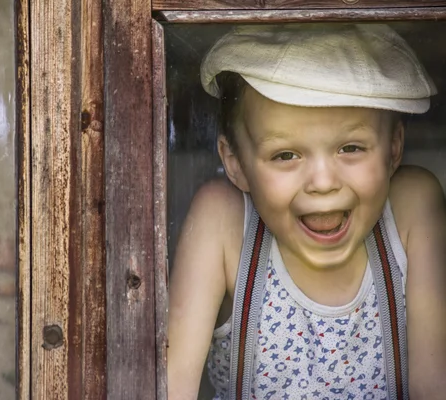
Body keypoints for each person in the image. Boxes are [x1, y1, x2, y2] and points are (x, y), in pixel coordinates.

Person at [167, 24, 446, 400]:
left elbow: (435, 386)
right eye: (285, 155)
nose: (322, 182)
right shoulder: (225, 223)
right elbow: (169, 388)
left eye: (350, 148)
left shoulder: (411, 208)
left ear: (394, 148)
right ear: (235, 163)